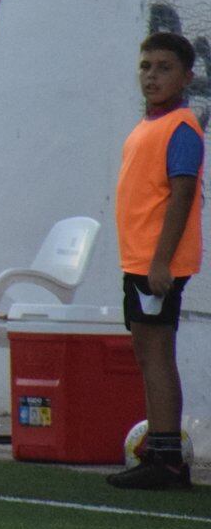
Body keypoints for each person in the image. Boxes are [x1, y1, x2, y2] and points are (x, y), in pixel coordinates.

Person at [107, 31, 201, 491]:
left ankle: (167, 458)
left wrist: (162, 262)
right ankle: (159, 448)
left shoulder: (181, 127)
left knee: (157, 354)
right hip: (140, 260)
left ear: (187, 76)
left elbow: (182, 196)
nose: (152, 75)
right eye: (146, 66)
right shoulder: (148, 125)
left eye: (165, 68)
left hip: (156, 265)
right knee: (147, 354)